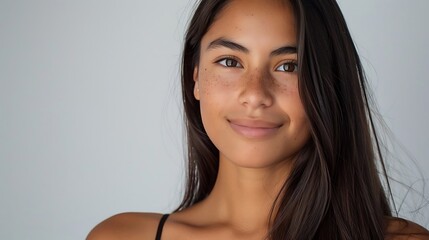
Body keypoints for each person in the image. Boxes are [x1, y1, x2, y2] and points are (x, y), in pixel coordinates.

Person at [87, 0, 429, 239]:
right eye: (230, 61)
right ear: (195, 75)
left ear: (330, 85)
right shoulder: (118, 236)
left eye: (288, 66)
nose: (255, 94)